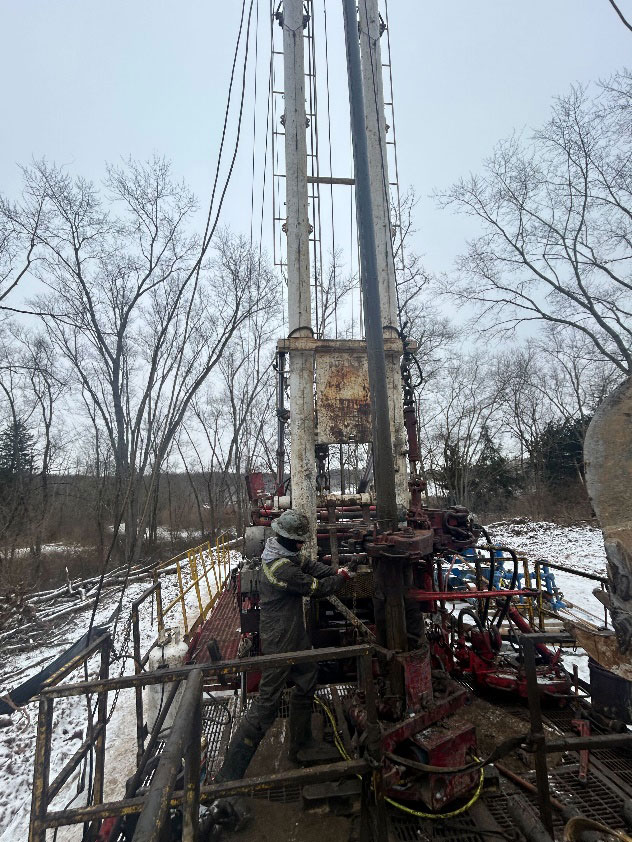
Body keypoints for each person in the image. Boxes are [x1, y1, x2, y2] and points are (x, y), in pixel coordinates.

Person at [215, 509, 354, 782]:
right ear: (289, 539)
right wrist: (342, 579)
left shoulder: (280, 549)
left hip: (293, 632)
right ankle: (228, 776)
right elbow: (315, 588)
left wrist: (334, 570)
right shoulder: (281, 567)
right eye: (299, 540)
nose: (302, 545)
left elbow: (309, 565)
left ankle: (301, 745)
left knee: (307, 675)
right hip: (279, 637)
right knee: (268, 701)